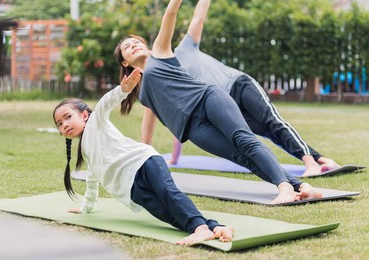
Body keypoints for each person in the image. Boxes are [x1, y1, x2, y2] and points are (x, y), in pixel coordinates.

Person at [114, 0, 322, 204]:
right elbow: (148, 127)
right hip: (193, 129)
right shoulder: (142, 92)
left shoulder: (160, 52)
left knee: (244, 140)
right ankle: (301, 187)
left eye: (136, 42)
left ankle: (284, 188)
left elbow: (170, 14)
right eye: (127, 47)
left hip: (208, 99)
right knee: (241, 157)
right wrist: (145, 154)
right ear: (125, 62)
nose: (134, 46)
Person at [53, 67, 234, 246]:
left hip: (143, 162)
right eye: (60, 124)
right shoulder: (86, 151)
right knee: (167, 213)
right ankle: (217, 227)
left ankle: (201, 230)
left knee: (169, 194)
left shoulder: (96, 121)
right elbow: (92, 181)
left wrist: (122, 90)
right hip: (132, 189)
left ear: (84, 115)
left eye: (68, 117)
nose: (65, 125)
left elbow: (105, 103)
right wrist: (85, 208)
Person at [169, 0, 340, 177]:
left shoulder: (183, 50)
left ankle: (310, 163)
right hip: (225, 108)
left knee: (272, 121)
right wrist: (174, 159)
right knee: (270, 132)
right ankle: (322, 160)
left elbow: (199, 18)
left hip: (238, 85)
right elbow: (180, 119)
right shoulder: (171, 82)